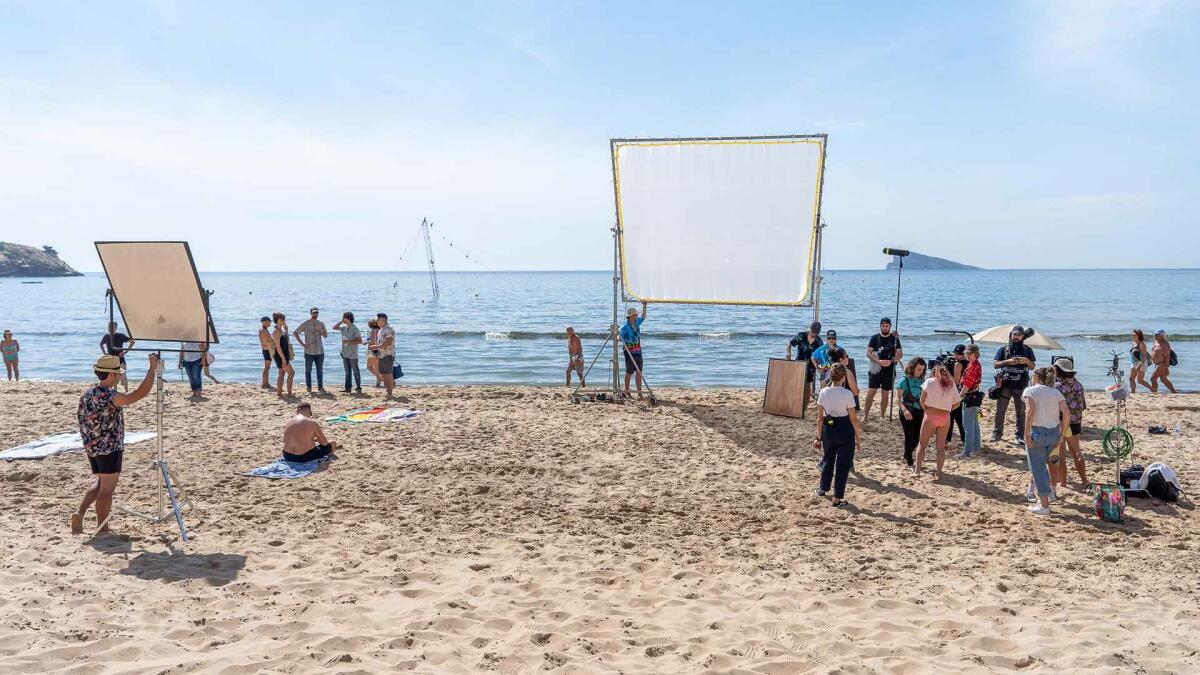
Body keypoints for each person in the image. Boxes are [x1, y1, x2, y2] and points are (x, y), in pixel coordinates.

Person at [71, 353, 159, 534]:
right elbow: (139, 394)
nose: (119, 376)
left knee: (101, 483)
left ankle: (80, 513)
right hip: (109, 447)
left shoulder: (88, 393)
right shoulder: (111, 396)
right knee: (107, 489)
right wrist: (152, 369)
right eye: (118, 374)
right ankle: (103, 527)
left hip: (92, 446)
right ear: (110, 375)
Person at [1022, 367, 1071, 516]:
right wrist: (1062, 434)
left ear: (1036, 377)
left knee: (1038, 469)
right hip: (1054, 433)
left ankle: (1044, 506)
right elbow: (1066, 413)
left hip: (1038, 432)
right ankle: (1046, 497)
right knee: (1047, 465)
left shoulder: (1030, 391)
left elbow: (1030, 412)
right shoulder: (1055, 392)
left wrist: (1026, 434)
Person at [812, 364, 861, 507]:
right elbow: (854, 419)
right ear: (844, 377)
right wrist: (858, 438)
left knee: (828, 459)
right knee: (843, 465)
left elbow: (819, 418)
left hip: (829, 428)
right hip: (845, 429)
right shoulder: (847, 394)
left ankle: (822, 489)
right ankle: (837, 497)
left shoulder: (823, 392)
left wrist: (818, 436)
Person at [912, 363, 960, 480]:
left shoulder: (929, 382)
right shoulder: (951, 383)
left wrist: (926, 410)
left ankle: (917, 471)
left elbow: (921, 400)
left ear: (935, 372)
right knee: (940, 448)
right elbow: (957, 403)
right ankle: (938, 473)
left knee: (922, 444)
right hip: (945, 417)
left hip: (931, 416)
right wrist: (948, 409)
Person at [992, 325, 1036, 447]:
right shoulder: (1003, 349)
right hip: (1005, 384)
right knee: (1000, 410)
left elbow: (1032, 367)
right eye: (1015, 334)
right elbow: (995, 365)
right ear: (1011, 335)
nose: (1016, 337)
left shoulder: (1027, 350)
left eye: (1019, 335)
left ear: (1023, 336)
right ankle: (997, 434)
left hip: (1021, 385)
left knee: (1021, 412)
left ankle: (1020, 436)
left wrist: (1026, 361)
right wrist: (1008, 362)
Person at [1052, 357, 1089, 488]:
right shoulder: (1079, 385)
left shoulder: (1057, 386)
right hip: (1076, 422)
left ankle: (1063, 483)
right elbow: (1082, 405)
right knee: (1076, 451)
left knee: (1061, 454)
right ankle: (1084, 480)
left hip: (1061, 422)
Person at [862, 318, 903, 421]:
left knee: (885, 394)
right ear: (880, 326)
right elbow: (868, 353)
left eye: (887, 326)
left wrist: (892, 361)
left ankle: (882, 415)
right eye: (883, 326)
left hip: (889, 369)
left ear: (890, 326)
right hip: (876, 368)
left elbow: (900, 354)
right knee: (871, 392)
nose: (885, 328)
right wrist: (878, 361)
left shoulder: (894, 339)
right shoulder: (875, 338)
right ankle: (865, 415)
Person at [894, 357, 927, 467]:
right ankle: (909, 461)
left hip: (919, 411)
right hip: (907, 410)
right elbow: (898, 398)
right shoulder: (904, 380)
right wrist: (904, 410)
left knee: (917, 437)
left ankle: (906, 454)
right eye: (918, 369)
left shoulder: (923, 381)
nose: (920, 372)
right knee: (909, 436)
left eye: (922, 369)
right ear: (912, 368)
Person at [294, 307, 328, 394]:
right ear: (311, 313)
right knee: (308, 370)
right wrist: (302, 344)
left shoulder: (321, 323)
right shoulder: (306, 324)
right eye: (313, 313)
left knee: (320, 370)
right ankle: (309, 388)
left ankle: (320, 387)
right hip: (309, 351)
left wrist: (320, 330)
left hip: (320, 351)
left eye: (316, 313)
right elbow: (295, 332)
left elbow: (325, 335)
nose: (315, 314)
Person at [787, 321, 823, 401]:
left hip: (810, 368)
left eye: (816, 333)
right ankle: (794, 403)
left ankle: (805, 407)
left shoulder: (819, 342)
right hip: (798, 365)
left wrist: (818, 362)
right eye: (812, 332)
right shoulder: (801, 335)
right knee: (796, 385)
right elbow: (789, 344)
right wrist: (788, 353)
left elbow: (821, 357)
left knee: (807, 388)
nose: (814, 334)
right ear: (810, 328)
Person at [960, 344, 984, 457]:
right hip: (975, 396)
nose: (968, 355)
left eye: (970, 354)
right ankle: (976, 447)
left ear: (975, 354)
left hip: (969, 397)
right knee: (974, 423)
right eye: (967, 353)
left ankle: (967, 451)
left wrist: (958, 397)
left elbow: (967, 385)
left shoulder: (973, 367)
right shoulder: (974, 364)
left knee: (968, 426)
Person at [620, 303, 648, 399]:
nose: (636, 316)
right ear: (630, 316)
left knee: (639, 372)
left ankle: (639, 393)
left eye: (636, 315)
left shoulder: (636, 323)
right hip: (629, 352)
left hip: (638, 351)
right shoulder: (625, 327)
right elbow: (619, 336)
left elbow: (643, 317)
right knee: (629, 372)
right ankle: (627, 391)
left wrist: (644, 306)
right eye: (634, 315)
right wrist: (617, 337)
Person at [332, 311, 363, 393]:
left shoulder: (355, 328)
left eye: (344, 317)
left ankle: (359, 388)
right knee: (347, 371)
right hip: (345, 353)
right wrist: (341, 321)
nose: (343, 319)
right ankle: (347, 388)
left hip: (353, 354)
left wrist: (348, 342)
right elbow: (334, 327)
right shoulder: (344, 328)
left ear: (348, 318)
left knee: (355, 371)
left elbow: (360, 341)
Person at [99, 321, 135, 391]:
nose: (110, 328)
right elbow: (101, 344)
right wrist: (104, 353)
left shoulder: (120, 335)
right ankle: (114, 390)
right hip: (111, 359)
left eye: (112, 327)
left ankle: (126, 390)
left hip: (120, 359)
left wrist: (125, 352)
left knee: (123, 375)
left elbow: (132, 342)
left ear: (116, 328)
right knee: (112, 376)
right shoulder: (106, 336)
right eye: (109, 327)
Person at [370, 312, 397, 397]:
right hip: (382, 355)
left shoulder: (388, 329)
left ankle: (390, 393)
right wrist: (376, 349)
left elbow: (389, 341)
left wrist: (377, 346)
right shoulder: (382, 329)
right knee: (384, 374)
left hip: (387, 355)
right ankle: (389, 392)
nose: (376, 321)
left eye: (377, 320)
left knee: (387, 375)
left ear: (382, 320)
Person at [946, 345, 967, 447]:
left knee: (952, 415)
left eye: (957, 354)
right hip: (967, 391)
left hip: (958, 391)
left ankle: (948, 438)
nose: (955, 356)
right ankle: (963, 437)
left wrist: (947, 374)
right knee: (958, 416)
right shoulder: (970, 363)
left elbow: (956, 381)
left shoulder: (958, 364)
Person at [272, 312, 295, 398]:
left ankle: (279, 393)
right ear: (277, 320)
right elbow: (277, 346)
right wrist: (283, 359)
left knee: (281, 373)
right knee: (291, 373)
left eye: (284, 319)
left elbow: (287, 341)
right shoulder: (276, 331)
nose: (283, 321)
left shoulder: (281, 330)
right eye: (281, 320)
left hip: (284, 354)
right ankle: (289, 393)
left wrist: (287, 330)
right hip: (280, 355)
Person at [1150, 329, 1177, 394]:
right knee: (1163, 379)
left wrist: (1166, 367)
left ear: (1162, 335)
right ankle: (1173, 391)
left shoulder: (1165, 344)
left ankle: (1154, 392)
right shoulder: (1156, 341)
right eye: (1155, 334)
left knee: (1153, 378)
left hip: (1162, 364)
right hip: (1157, 364)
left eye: (1157, 335)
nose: (1155, 336)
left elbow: (1167, 356)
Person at [258, 316, 275, 389]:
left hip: (267, 349)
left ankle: (266, 383)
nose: (269, 323)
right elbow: (268, 341)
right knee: (267, 367)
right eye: (268, 322)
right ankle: (264, 384)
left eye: (270, 322)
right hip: (266, 350)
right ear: (263, 322)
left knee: (267, 367)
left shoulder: (264, 329)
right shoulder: (263, 330)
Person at [365, 319, 381, 387]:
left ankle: (380, 378)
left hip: (372, 349)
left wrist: (366, 342)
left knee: (369, 367)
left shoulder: (373, 331)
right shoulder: (380, 330)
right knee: (376, 367)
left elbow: (372, 341)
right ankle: (378, 383)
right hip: (378, 350)